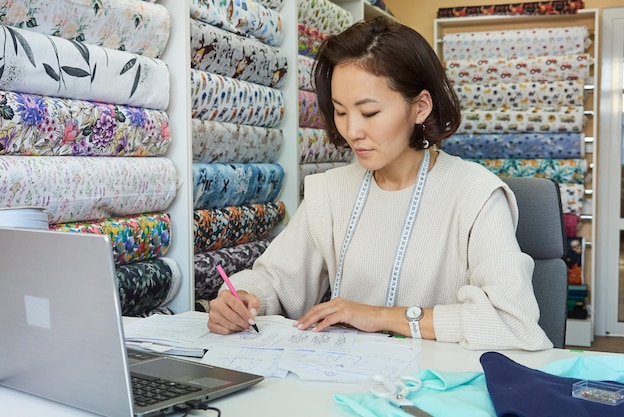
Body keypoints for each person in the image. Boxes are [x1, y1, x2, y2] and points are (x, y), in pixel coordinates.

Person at [207, 17, 552, 351]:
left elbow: (513, 322)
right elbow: (274, 282)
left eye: (369, 113)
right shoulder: (330, 191)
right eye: (341, 112)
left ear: (420, 107)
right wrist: (242, 298)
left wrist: (380, 317)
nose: (352, 131)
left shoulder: (475, 195)